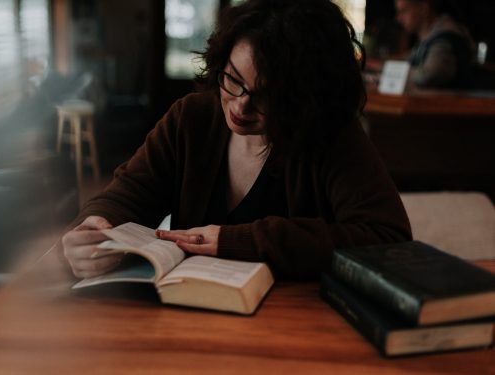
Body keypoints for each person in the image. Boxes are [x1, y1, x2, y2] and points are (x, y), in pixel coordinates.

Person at [61, 0, 411, 281]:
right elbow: (127, 195)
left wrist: (242, 241)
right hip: (187, 309)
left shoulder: (330, 133)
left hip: (300, 321)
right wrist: (95, 226)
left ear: (308, 99)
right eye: (232, 79)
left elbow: (388, 239)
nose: (241, 105)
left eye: (268, 95)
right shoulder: (191, 119)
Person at [394, 0, 475, 88]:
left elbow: (429, 74)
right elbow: (408, 58)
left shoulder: (444, 38)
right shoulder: (428, 38)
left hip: (446, 101)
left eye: (404, 11)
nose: (399, 18)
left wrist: (392, 72)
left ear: (423, 9)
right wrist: (383, 65)